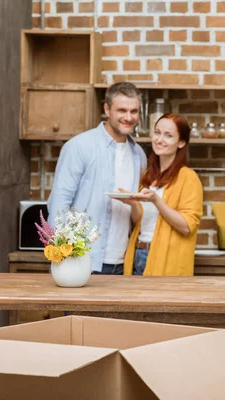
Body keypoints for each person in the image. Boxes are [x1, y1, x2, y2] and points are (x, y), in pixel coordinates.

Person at [48, 82, 147, 274]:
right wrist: (63, 256)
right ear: (107, 109)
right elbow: (59, 203)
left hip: (123, 263)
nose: (129, 117)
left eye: (134, 111)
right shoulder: (80, 146)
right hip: (82, 260)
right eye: (122, 110)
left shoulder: (139, 155)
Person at [120, 113, 203, 276]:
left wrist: (156, 201)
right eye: (157, 132)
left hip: (165, 258)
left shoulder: (188, 178)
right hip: (138, 253)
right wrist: (132, 203)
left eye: (168, 135)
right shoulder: (148, 176)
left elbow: (187, 227)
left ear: (181, 142)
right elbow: (140, 222)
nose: (160, 139)